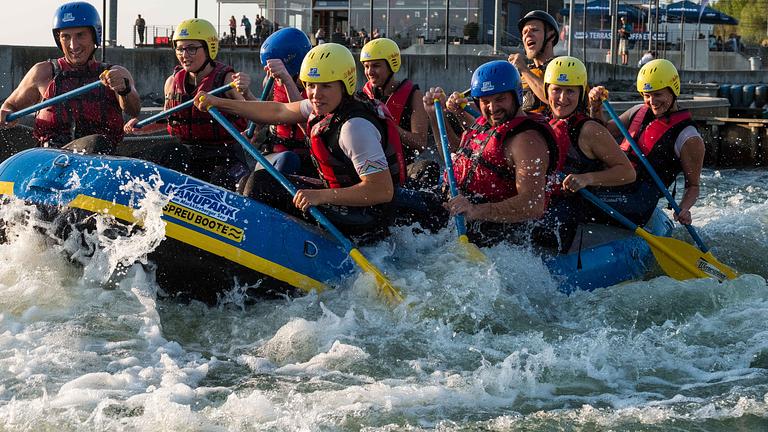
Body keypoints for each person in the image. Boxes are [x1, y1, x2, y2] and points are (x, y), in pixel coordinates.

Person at [193, 43, 407, 242]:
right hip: (341, 198)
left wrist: (319, 196)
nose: (315, 94)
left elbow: (382, 191)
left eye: (325, 86)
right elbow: (278, 110)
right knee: (252, 181)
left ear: (345, 85)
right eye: (311, 85)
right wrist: (219, 102)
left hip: (370, 216)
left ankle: (269, 246)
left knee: (261, 186)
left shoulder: (354, 129)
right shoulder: (324, 106)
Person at [420, 60, 563, 247]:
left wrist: (475, 210)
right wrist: (433, 115)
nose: (493, 108)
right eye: (485, 101)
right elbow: (456, 156)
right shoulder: (487, 125)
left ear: (516, 95)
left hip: (495, 230)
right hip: (458, 210)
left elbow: (532, 205)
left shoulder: (527, 140)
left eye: (500, 99)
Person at [123, 19, 252, 191]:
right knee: (170, 152)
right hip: (189, 155)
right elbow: (169, 120)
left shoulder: (228, 80)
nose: (184, 55)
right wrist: (141, 126)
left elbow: (255, 113)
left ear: (209, 48)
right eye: (180, 48)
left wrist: (246, 93)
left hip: (224, 157)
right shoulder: (172, 82)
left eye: (191, 48)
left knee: (220, 181)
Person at [0, 1, 140, 154]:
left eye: (80, 35)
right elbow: (10, 106)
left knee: (96, 143)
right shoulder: (42, 73)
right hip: (51, 161)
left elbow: (134, 110)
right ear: (58, 39)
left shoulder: (116, 73)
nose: (73, 45)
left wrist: (124, 89)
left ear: (94, 36)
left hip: (101, 161)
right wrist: (5, 112)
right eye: (66, 36)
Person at [588, 59, 705, 226]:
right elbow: (602, 132)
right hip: (613, 181)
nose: (652, 101)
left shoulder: (688, 137)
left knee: (584, 204)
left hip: (640, 198)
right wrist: (596, 107)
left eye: (658, 94)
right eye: (647, 95)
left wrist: (684, 208)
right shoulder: (638, 111)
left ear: (673, 90)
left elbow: (693, 186)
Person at [541, 56, 636, 249]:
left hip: (572, 216)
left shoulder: (590, 130)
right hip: (547, 205)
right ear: (546, 91)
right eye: (556, 90)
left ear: (581, 94)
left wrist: (586, 178)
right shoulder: (546, 123)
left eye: (570, 91)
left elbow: (628, 172)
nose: (562, 98)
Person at [359, 38, 434, 188]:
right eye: (366, 66)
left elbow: (420, 143)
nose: (369, 72)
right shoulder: (362, 97)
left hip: (401, 167)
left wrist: (390, 126)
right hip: (370, 167)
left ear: (392, 65)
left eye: (376, 66)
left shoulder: (414, 95)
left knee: (428, 168)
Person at [253, 27, 314, 176]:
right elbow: (263, 114)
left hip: (307, 158)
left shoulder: (317, 86)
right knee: (247, 184)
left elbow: (308, 124)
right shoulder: (271, 81)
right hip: (275, 153)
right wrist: (253, 132)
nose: (270, 72)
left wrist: (287, 81)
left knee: (288, 160)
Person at [508, 10, 559, 115]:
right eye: (524, 32)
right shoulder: (522, 75)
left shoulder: (563, 67)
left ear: (551, 36)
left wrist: (524, 70)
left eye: (534, 30)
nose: (528, 35)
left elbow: (555, 99)